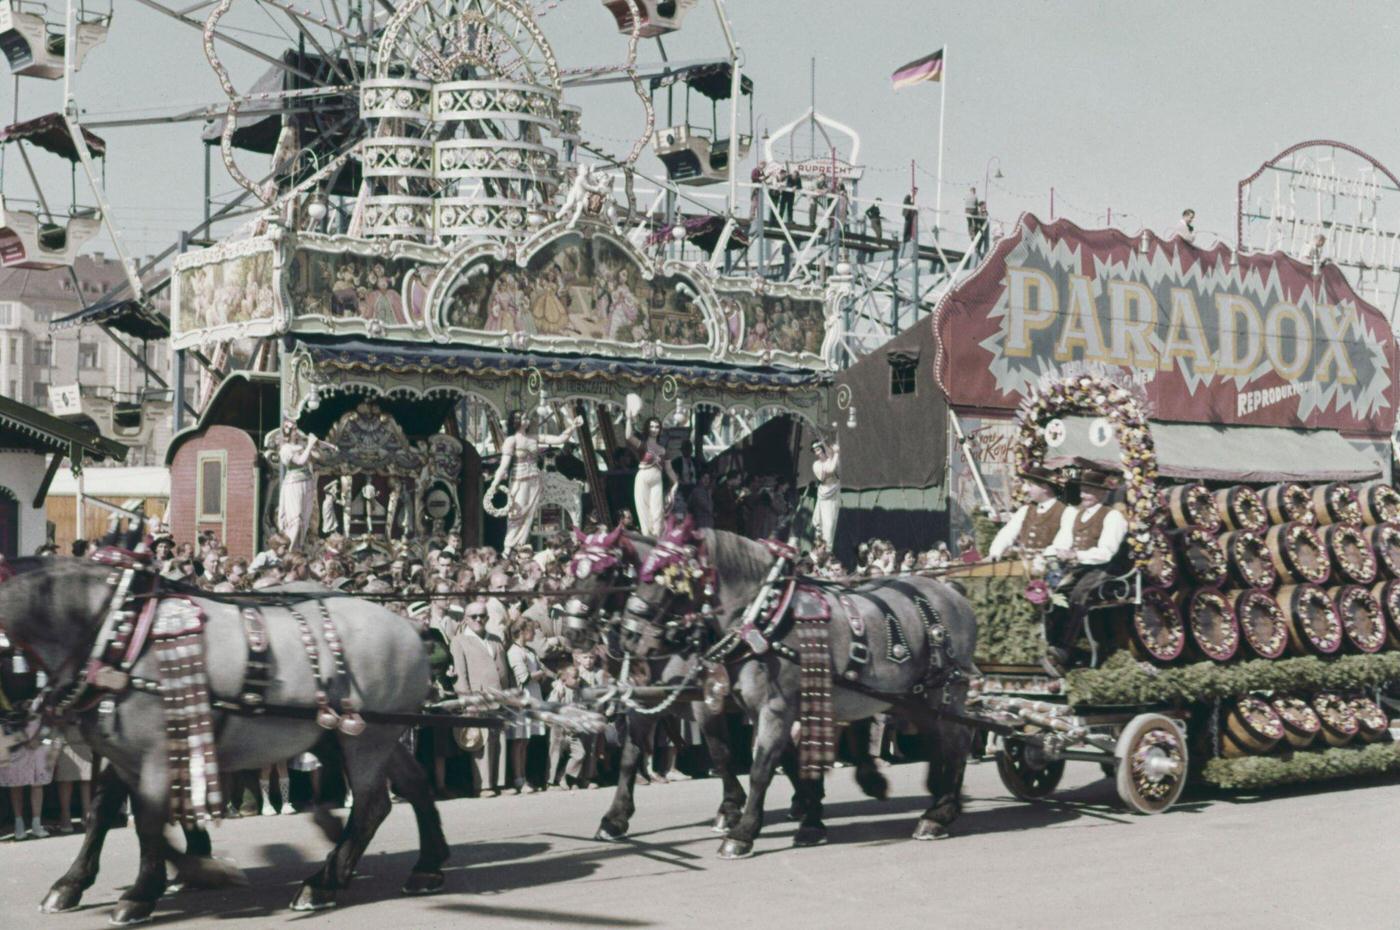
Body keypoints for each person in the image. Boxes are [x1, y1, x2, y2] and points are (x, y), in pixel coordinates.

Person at [1043, 466, 1129, 676]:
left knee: (1080, 595)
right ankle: (1053, 645)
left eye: (1089, 491)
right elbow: (1061, 542)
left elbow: (1107, 552)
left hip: (1107, 569)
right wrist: (1050, 553)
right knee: (1054, 594)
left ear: (1102, 492)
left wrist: (1075, 555)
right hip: (1080, 567)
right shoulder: (1075, 514)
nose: (1083, 495)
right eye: (1082, 490)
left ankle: (1065, 648)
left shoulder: (1113, 517)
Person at [486, 410, 582, 553]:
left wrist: (573, 426)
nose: (527, 419)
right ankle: (508, 547)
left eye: (526, 417)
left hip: (535, 480)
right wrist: (494, 485)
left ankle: (520, 545)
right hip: (520, 479)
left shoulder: (534, 437)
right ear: (515, 421)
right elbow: (503, 466)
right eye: (523, 417)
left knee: (529, 515)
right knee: (517, 513)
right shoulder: (511, 440)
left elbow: (560, 439)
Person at [451, 600, 507, 797]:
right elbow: (460, 674)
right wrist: (467, 700)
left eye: (482, 616)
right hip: (477, 695)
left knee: (498, 739)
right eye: (473, 616)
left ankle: (499, 782)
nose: (478, 620)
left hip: (498, 695)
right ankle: (483, 785)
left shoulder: (495, 639)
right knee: (480, 742)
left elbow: (504, 670)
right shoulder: (459, 641)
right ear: (466, 619)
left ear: (488, 617)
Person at [987, 466, 1074, 561]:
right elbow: (1007, 533)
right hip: (1024, 566)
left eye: (1030, 485)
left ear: (1044, 488)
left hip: (1050, 566)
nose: (1026, 489)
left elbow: (1062, 544)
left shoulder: (1067, 512)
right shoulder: (1025, 510)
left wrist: (1041, 556)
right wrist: (995, 552)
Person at [504, 617, 551, 793]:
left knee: (525, 741)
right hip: (522, 700)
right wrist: (541, 673)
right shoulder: (515, 652)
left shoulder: (529, 650)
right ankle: (518, 779)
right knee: (519, 741)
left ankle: (523, 777)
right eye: (532, 630)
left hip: (532, 697)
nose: (535, 633)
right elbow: (523, 678)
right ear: (522, 632)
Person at [275, 418, 324, 550]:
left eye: (297, 429)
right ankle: (290, 550)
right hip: (294, 485)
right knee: (295, 520)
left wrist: (315, 445)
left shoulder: (300, 445)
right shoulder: (286, 449)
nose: (297, 432)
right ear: (288, 432)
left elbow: (317, 457)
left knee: (305, 520)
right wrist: (309, 445)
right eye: (294, 430)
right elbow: (300, 461)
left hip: (307, 483)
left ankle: (299, 548)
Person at [625, 412, 677, 537]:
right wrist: (628, 418)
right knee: (643, 511)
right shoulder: (643, 445)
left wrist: (675, 483)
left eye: (657, 427)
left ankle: (656, 538)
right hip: (643, 478)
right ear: (647, 428)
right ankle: (646, 537)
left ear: (660, 430)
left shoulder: (663, 450)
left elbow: (669, 470)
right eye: (651, 426)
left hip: (657, 480)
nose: (654, 429)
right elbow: (628, 436)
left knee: (657, 512)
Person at [810, 438, 841, 549]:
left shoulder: (832, 460)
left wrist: (834, 454)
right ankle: (821, 549)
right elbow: (830, 470)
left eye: (818, 449)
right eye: (814, 450)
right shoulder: (816, 465)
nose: (817, 452)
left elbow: (836, 469)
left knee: (831, 524)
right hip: (824, 494)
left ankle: (827, 549)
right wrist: (836, 453)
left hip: (834, 492)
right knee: (823, 524)